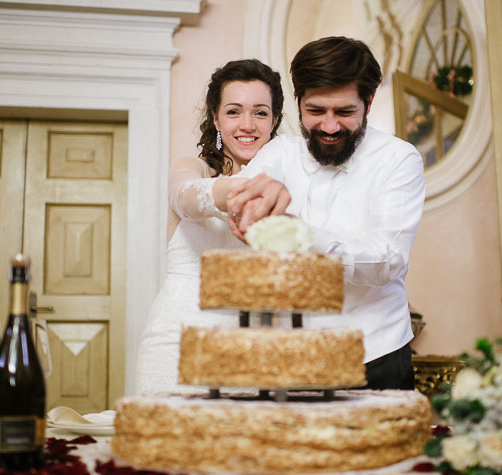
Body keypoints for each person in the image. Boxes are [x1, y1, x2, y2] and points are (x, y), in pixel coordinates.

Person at [225, 37, 425, 390]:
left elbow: (388, 261)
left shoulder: (399, 159)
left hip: (373, 353)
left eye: (345, 113)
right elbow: (240, 192)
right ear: (298, 101)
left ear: (369, 101)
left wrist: (298, 234)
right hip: (287, 357)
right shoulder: (280, 152)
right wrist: (248, 207)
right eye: (316, 111)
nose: (330, 127)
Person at [134, 59, 284, 393]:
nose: (247, 124)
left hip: (255, 353)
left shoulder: (287, 189)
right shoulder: (194, 169)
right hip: (178, 344)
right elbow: (185, 196)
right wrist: (242, 189)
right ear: (215, 118)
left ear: (274, 121)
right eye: (234, 111)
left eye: (260, 112)